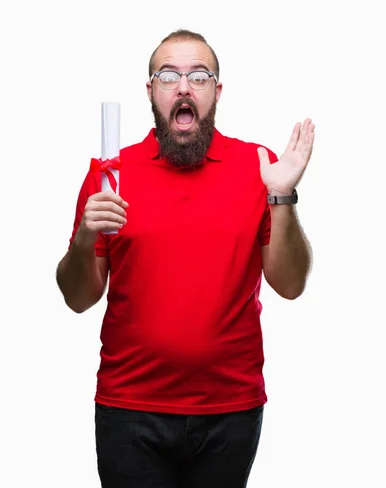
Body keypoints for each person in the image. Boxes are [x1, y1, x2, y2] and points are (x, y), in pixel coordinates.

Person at [56, 29, 314, 488]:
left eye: (198, 75)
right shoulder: (110, 174)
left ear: (217, 91)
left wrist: (283, 195)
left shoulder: (259, 167)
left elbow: (290, 285)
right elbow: (79, 299)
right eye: (168, 75)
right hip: (128, 409)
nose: (183, 86)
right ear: (151, 91)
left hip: (231, 409)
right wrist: (83, 238)